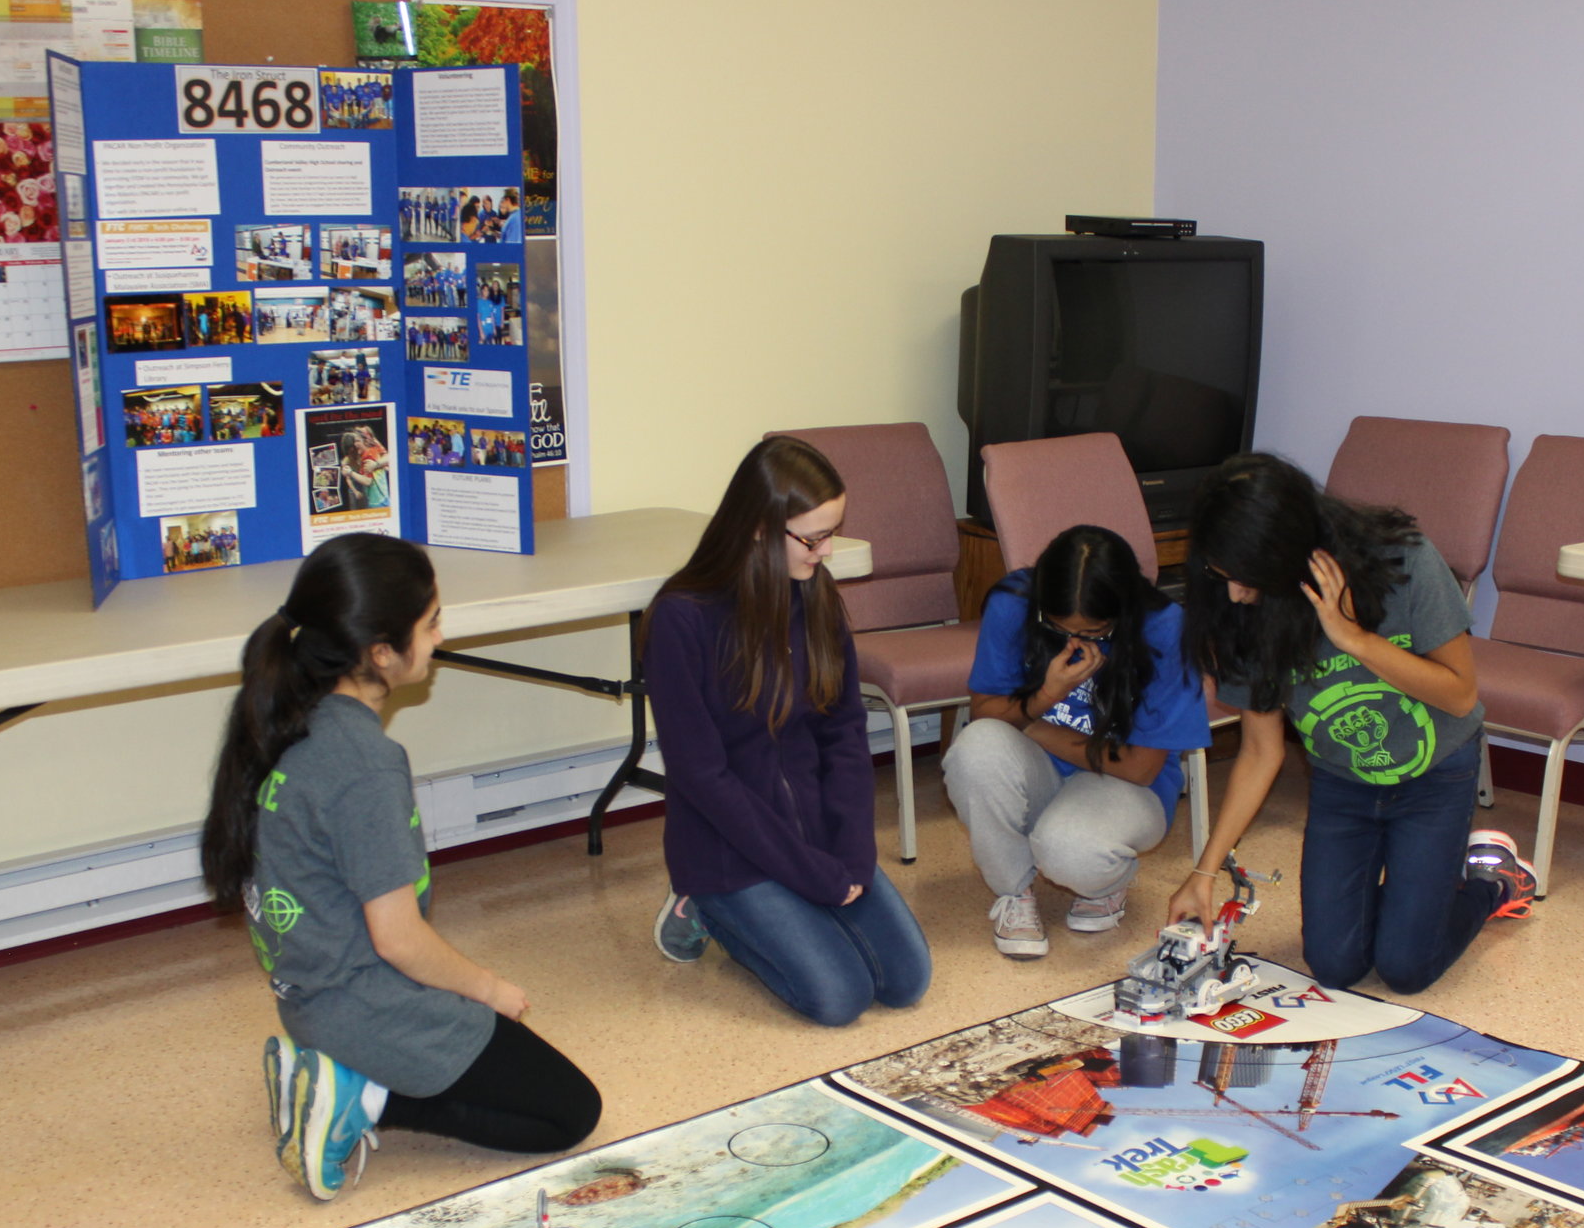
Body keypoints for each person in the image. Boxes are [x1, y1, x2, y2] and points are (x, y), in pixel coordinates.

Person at [200, 534, 600, 1199]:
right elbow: (398, 938)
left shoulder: (291, 716)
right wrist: (487, 988)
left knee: (517, 1073)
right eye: (432, 622)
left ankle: (334, 1069)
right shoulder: (363, 763)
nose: (442, 636)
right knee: (569, 1112)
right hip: (363, 1003)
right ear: (380, 652)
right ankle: (361, 1092)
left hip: (310, 999)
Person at [1172, 455, 1535, 996]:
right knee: (1335, 965)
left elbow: (1460, 694)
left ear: (1286, 557)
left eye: (1246, 578)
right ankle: (1417, 894)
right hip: (1345, 788)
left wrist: (1354, 639)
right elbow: (1259, 752)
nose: (1233, 594)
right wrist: (1202, 874)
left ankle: (1491, 879)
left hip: (1435, 777)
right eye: (1222, 576)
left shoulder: (1403, 559)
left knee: (1406, 968)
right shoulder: (1242, 613)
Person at [642, 436, 931, 1026]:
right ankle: (702, 909)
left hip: (818, 834)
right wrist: (806, 873)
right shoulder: (681, 616)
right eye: (813, 537)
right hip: (729, 850)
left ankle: (797, 903)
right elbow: (702, 775)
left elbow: (845, 732)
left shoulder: (815, 596)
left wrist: (852, 850)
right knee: (839, 998)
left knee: (906, 981)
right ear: (756, 527)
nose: (826, 552)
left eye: (832, 533)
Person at [943, 524, 1210, 958]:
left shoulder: (1166, 628)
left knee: (1069, 851)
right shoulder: (1013, 602)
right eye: (1060, 627)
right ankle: (1014, 891)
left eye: (1096, 632)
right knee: (975, 750)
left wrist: (1034, 722)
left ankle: (1107, 882)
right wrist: (1048, 694)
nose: (1077, 642)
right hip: (1056, 761)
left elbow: (1140, 767)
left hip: (1124, 785)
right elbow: (985, 714)